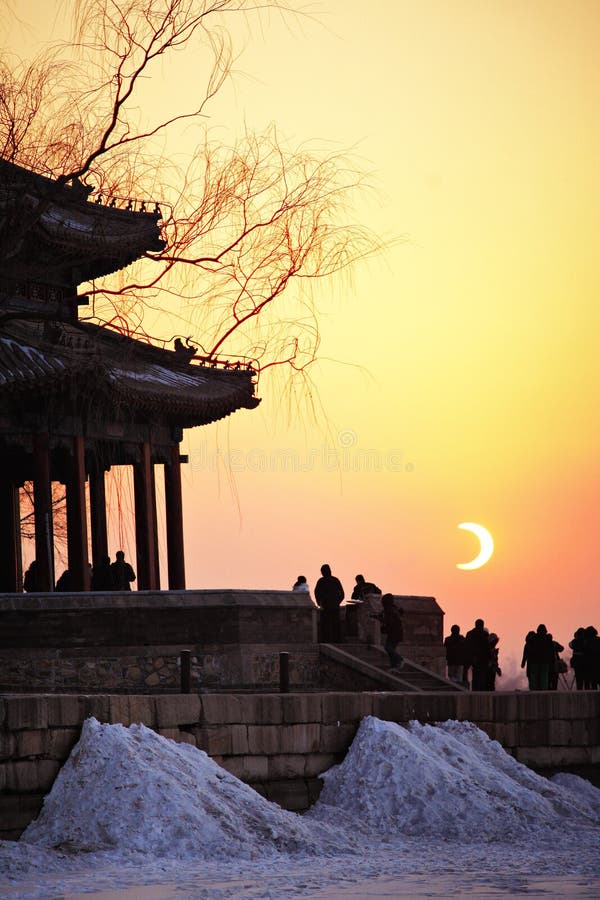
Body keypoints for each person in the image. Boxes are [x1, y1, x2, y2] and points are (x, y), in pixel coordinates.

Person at [314, 563, 344, 642]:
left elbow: (317, 593)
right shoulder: (335, 580)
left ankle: (326, 640)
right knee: (336, 625)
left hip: (325, 607)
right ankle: (337, 640)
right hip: (335, 606)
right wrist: (338, 602)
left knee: (325, 625)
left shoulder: (321, 581)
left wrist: (319, 603)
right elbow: (342, 594)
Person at [374, 593, 404, 671]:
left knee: (388, 648)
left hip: (394, 633)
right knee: (390, 650)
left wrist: (379, 619)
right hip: (395, 633)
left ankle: (399, 659)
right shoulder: (392, 609)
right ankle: (394, 667)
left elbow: (389, 621)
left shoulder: (390, 610)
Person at [522, 624, 554, 690]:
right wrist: (552, 661)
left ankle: (534, 690)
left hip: (534, 662)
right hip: (545, 662)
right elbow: (551, 651)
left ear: (537, 630)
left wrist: (523, 662)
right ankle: (543, 690)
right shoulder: (548, 639)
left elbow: (527, 650)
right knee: (544, 677)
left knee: (534, 677)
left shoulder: (533, 638)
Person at [465, 618, 492, 691]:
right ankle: (481, 689)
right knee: (482, 675)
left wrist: (469, 658)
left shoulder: (469, 634)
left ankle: (475, 689)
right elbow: (487, 648)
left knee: (475, 675)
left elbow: (467, 647)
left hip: (473, 658)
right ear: (482, 625)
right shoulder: (484, 634)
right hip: (483, 658)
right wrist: (490, 658)